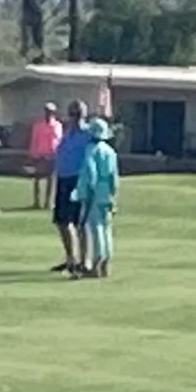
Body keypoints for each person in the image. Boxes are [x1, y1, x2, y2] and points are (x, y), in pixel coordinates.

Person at [50, 100, 94, 274]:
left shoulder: (88, 134)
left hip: (79, 180)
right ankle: (71, 258)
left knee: (80, 223)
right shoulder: (66, 134)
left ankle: (85, 260)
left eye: (77, 114)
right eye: (72, 114)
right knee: (62, 222)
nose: (74, 118)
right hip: (63, 179)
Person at [73, 116, 120, 278]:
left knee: (95, 229)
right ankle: (106, 263)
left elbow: (89, 175)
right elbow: (114, 177)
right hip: (106, 192)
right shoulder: (110, 152)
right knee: (106, 229)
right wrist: (113, 195)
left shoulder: (90, 150)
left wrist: (85, 193)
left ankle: (96, 264)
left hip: (93, 193)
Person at [27, 103, 62, 209]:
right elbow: (34, 140)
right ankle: (36, 201)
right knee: (37, 179)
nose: (48, 113)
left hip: (52, 154)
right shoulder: (38, 126)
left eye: (50, 111)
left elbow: (59, 140)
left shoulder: (57, 125)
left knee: (50, 179)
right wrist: (32, 154)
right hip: (40, 154)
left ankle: (48, 202)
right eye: (47, 111)